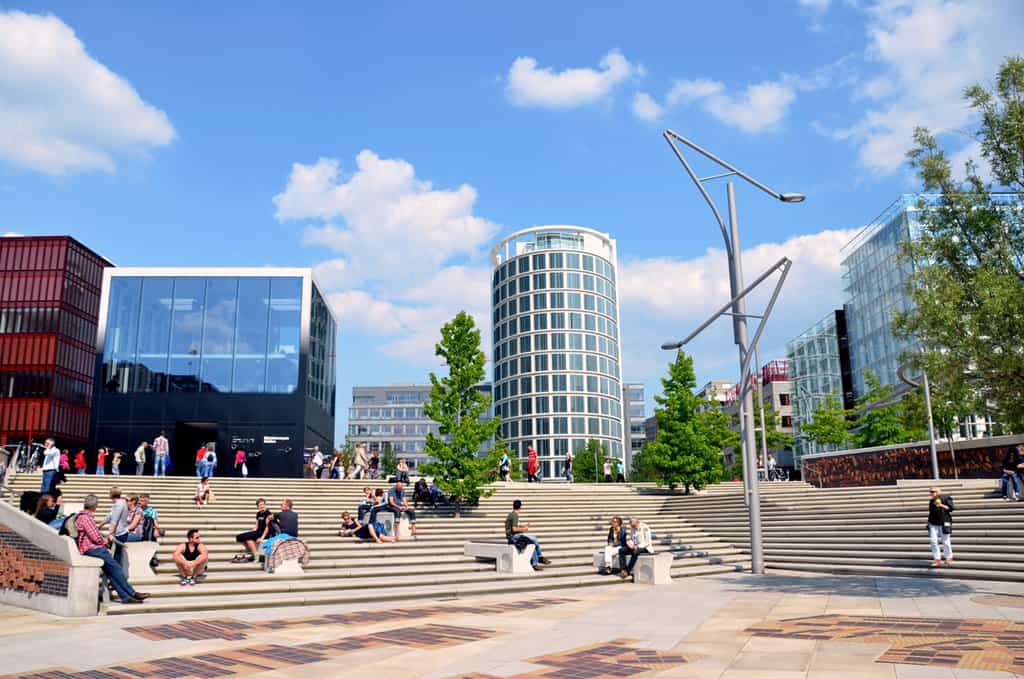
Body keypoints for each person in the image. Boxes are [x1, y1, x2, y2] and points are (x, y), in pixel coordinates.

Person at [74, 494, 149, 604]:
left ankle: (125, 597)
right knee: (116, 568)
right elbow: (95, 537)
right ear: (94, 506)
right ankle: (133, 593)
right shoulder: (86, 518)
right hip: (94, 549)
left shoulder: (83, 516)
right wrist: (104, 540)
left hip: (90, 548)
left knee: (110, 572)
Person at [505, 499, 550, 571]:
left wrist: (523, 527)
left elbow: (514, 528)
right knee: (534, 539)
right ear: (520, 507)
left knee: (532, 542)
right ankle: (539, 558)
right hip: (513, 537)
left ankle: (537, 561)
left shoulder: (511, 514)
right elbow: (514, 529)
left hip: (512, 536)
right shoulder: (515, 515)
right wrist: (524, 529)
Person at [233, 498, 274, 563]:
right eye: (260, 505)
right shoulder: (258, 513)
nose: (262, 506)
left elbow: (267, 527)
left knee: (248, 538)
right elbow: (256, 525)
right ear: (257, 506)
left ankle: (256, 556)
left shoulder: (268, 513)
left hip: (264, 533)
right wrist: (251, 531)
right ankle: (251, 552)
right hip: (258, 531)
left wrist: (262, 538)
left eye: (263, 504)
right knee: (239, 537)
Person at [927, 487, 954, 567]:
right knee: (933, 541)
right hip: (933, 523)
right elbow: (931, 513)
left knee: (945, 541)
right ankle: (937, 559)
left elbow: (951, 508)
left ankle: (948, 557)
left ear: (938, 492)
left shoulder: (946, 498)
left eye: (933, 491)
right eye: (930, 492)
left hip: (944, 522)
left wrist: (941, 505)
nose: (931, 493)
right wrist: (928, 523)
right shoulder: (931, 501)